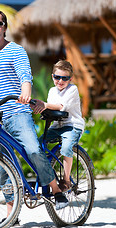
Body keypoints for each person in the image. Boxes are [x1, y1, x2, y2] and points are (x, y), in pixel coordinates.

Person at [0, 9, 69, 215]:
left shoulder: (16, 50)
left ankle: (56, 190)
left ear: (5, 27)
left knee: (33, 150)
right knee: (4, 167)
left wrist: (25, 93)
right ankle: (11, 214)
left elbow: (25, 75)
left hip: (17, 112)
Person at [31, 60, 85, 192]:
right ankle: (45, 175)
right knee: (36, 146)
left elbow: (61, 107)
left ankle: (66, 180)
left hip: (72, 126)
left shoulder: (72, 89)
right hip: (56, 126)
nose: (60, 81)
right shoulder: (52, 91)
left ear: (70, 79)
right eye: (57, 77)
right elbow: (51, 108)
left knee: (66, 147)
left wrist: (44, 104)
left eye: (64, 78)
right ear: (52, 76)